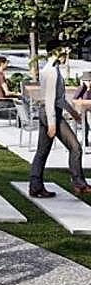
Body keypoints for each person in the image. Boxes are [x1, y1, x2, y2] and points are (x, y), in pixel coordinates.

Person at [28, 42, 90, 197]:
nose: (66, 57)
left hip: (48, 112)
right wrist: (52, 123)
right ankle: (79, 183)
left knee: (42, 152)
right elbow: (50, 100)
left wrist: (72, 112)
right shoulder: (52, 72)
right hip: (51, 113)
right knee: (75, 147)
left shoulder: (49, 70)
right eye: (65, 53)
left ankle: (35, 187)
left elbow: (58, 99)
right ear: (57, 53)